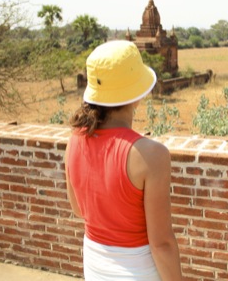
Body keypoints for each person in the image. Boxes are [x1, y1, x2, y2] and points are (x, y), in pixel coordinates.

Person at [65, 40, 182, 281]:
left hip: (94, 263)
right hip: (138, 271)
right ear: (137, 93)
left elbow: (79, 210)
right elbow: (161, 244)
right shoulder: (151, 155)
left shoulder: (74, 139)